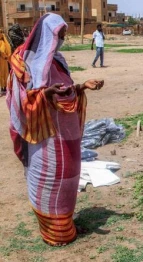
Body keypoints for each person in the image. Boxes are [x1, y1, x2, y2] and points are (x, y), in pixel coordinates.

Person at [6, 13, 104, 246]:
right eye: (59, 34)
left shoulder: (57, 59)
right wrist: (44, 94)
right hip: (44, 138)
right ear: (46, 33)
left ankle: (67, 224)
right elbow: (17, 99)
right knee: (49, 181)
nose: (62, 38)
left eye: (64, 34)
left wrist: (82, 86)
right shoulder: (23, 61)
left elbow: (66, 89)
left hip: (67, 134)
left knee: (69, 179)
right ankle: (55, 234)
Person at [0, 30, 12, 96]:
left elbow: (2, 50)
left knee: (3, 74)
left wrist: (5, 56)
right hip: (3, 60)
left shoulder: (2, 42)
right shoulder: (4, 41)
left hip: (3, 60)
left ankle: (3, 88)